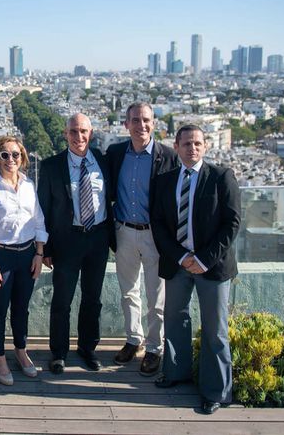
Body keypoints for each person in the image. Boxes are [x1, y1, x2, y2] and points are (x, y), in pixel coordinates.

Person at [150, 125, 241, 415]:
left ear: (206, 146)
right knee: (175, 320)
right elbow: (159, 224)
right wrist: (180, 257)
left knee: (215, 330)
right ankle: (177, 374)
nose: (193, 148)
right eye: (187, 143)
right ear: (175, 146)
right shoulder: (164, 181)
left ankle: (216, 391)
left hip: (211, 267)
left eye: (198, 143)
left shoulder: (220, 176)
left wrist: (203, 259)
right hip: (178, 263)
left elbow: (232, 223)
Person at [106, 102, 179, 375]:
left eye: (146, 120)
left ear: (154, 123)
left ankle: (153, 348)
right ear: (126, 124)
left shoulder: (168, 156)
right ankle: (133, 339)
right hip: (124, 231)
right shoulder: (115, 153)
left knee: (156, 297)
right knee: (128, 292)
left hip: (154, 235)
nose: (141, 125)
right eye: (135, 120)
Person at [38, 113, 112, 373]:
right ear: (65, 134)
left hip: (98, 238)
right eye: (73, 131)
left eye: (83, 131)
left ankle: (88, 348)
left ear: (91, 133)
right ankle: (58, 352)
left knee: (93, 298)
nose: (79, 137)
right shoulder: (50, 166)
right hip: (66, 240)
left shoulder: (104, 162)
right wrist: (45, 248)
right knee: (62, 299)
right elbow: (44, 209)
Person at [0, 136, 47, 386]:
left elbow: (38, 219)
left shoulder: (28, 185)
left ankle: (20, 349)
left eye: (15, 154)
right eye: (4, 155)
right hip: (2, 256)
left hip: (27, 253)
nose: (10, 159)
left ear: (22, 157)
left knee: (21, 307)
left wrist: (39, 253)